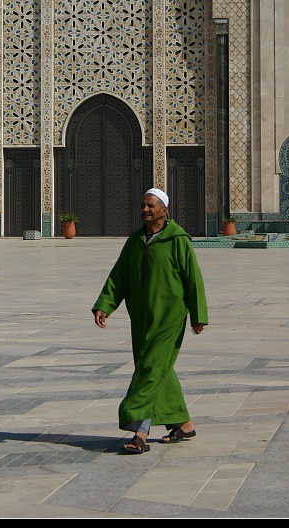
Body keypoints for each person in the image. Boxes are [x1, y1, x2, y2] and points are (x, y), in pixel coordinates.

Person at [92, 187, 208, 454]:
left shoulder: (178, 240)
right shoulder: (134, 241)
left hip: (170, 317)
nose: (145, 210)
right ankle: (183, 423)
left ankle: (139, 430)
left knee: (149, 370)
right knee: (159, 369)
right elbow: (118, 277)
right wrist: (104, 306)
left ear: (164, 210)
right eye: (143, 205)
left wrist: (198, 316)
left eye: (151, 206)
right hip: (142, 317)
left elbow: (193, 279)